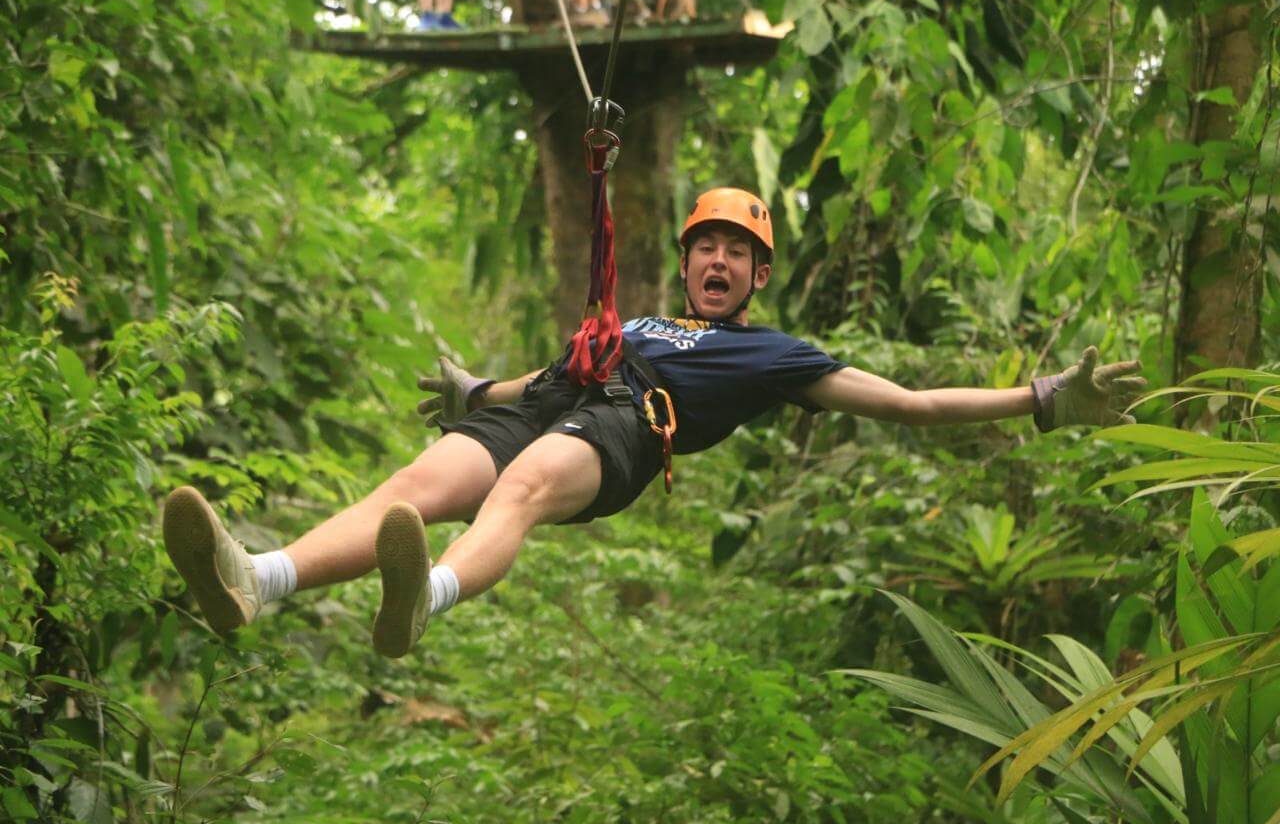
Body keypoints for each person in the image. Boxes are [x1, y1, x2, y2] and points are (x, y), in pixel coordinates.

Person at [161, 188, 1146, 657]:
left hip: (628, 433)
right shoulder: (635, 318)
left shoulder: (775, 357)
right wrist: (473, 394)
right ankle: (261, 577)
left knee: (525, 485)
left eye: (735, 252)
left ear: (758, 276)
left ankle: (435, 594)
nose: (715, 260)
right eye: (703, 246)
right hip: (558, 403)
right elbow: (541, 380)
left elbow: (911, 404)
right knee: (414, 488)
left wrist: (1042, 398)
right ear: (687, 265)